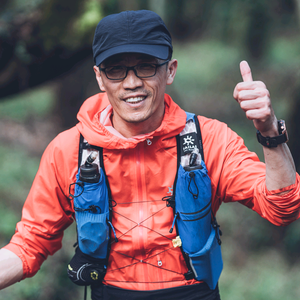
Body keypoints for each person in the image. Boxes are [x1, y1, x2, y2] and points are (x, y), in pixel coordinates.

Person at [0, 9, 299, 300]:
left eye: (146, 66)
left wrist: (270, 131)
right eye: (116, 69)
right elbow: (29, 243)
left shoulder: (210, 139)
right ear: (100, 78)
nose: (132, 82)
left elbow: (282, 207)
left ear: (169, 71)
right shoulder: (68, 150)